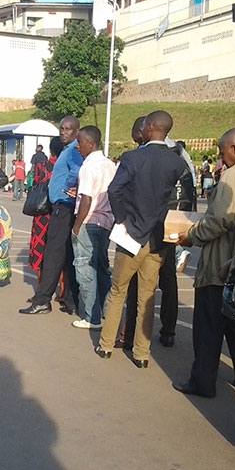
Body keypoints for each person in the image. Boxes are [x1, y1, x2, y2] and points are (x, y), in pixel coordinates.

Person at [171, 128, 235, 398]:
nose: (221, 159)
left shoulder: (233, 176)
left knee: (208, 328)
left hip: (221, 263)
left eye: (223, 153)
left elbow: (218, 221)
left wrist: (191, 236)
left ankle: (203, 381)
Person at [94, 111, 186, 369]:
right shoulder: (176, 163)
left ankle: (106, 344)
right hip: (158, 237)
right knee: (147, 295)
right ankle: (142, 353)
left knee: (118, 291)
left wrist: (123, 218)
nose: (142, 130)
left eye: (144, 126)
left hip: (131, 234)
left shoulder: (133, 158)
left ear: (152, 128)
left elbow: (114, 189)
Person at [19, 116, 82, 315]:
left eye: (69, 129)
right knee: (66, 256)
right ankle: (71, 301)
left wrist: (69, 188)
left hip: (65, 208)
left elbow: (79, 172)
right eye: (62, 128)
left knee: (53, 255)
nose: (64, 132)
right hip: (61, 207)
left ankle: (42, 300)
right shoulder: (68, 150)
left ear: (77, 131)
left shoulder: (74, 151)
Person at [70, 125, 116, 330]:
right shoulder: (110, 165)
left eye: (80, 142)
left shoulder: (88, 166)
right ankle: (107, 311)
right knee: (102, 268)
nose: (77, 146)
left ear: (91, 143)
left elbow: (87, 199)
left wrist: (77, 226)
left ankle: (92, 317)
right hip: (106, 221)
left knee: (85, 268)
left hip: (89, 221)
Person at [27, 136, 62, 290]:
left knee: (40, 250)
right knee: (61, 253)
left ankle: (41, 291)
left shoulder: (43, 166)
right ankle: (62, 291)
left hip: (43, 213)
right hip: (61, 212)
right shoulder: (67, 166)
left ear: (50, 150)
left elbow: (36, 183)